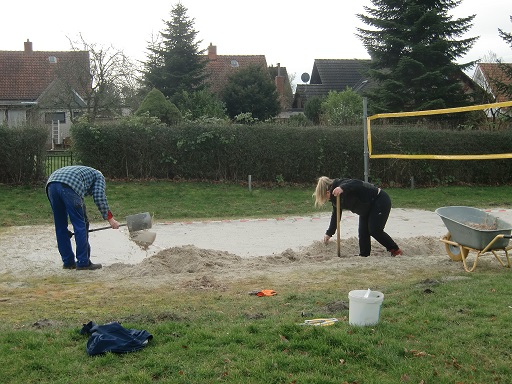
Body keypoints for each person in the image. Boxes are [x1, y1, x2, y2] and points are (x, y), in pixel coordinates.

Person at [46, 165, 120, 270]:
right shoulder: (99, 176)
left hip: (51, 184)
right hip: (69, 185)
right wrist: (110, 219)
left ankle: (68, 262)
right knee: (80, 225)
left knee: (60, 227)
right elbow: (99, 197)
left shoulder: (83, 173)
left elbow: (77, 199)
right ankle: (83, 262)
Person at [313, 176, 402, 257]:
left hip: (379, 200)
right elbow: (336, 215)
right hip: (365, 208)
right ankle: (364, 255)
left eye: (325, 197)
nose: (326, 200)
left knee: (375, 230)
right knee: (363, 232)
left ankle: (395, 250)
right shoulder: (335, 199)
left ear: (327, 192)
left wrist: (342, 188)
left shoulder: (342, 184)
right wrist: (329, 233)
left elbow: (357, 183)